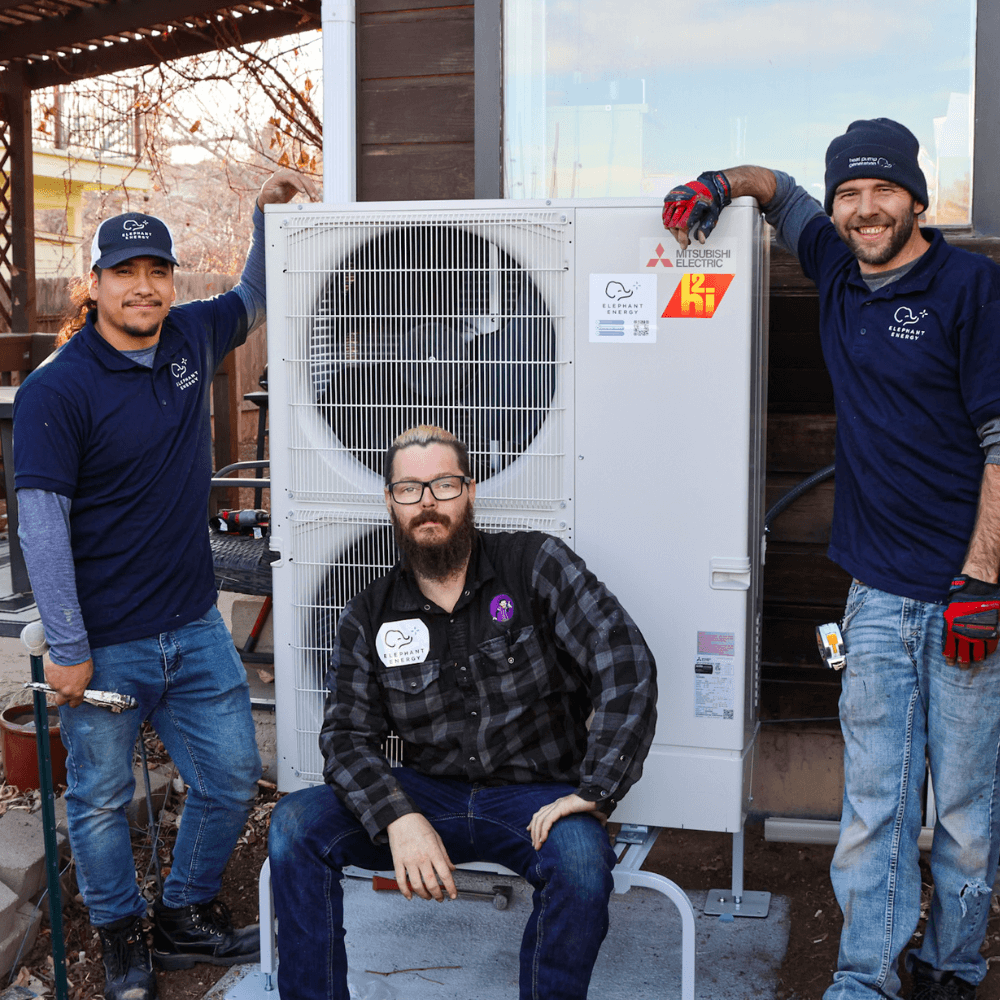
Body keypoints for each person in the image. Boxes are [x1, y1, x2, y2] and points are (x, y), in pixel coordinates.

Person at [663, 118, 1000, 1000]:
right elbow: (774, 184)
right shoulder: (839, 270)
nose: (863, 208)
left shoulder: (971, 288)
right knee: (875, 809)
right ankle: (867, 977)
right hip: (878, 596)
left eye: (881, 190)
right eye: (849, 193)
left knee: (963, 810)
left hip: (970, 598)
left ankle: (953, 967)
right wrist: (714, 182)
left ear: (916, 198)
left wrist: (982, 582)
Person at [12, 168, 314, 1000]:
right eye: (125, 273)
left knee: (227, 778)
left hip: (195, 626)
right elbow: (40, 525)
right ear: (97, 285)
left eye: (157, 272)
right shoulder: (56, 391)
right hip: (104, 644)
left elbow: (256, 293)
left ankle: (183, 917)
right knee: (102, 801)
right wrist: (66, 646)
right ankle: (119, 935)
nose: (143, 287)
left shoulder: (189, 337)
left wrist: (265, 213)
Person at [268, 424, 657, 1000]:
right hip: (429, 796)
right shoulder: (369, 613)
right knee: (296, 825)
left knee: (579, 862)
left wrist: (596, 791)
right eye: (409, 489)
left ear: (470, 491)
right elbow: (346, 737)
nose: (427, 502)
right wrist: (398, 817)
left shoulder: (534, 565)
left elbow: (624, 663)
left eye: (443, 485)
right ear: (390, 502)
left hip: (538, 799)